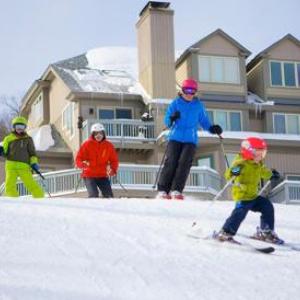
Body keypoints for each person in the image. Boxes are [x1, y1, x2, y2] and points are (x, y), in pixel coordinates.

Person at [157, 78, 223, 200]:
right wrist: (172, 118)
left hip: (190, 139)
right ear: (182, 91)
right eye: (187, 91)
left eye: (192, 92)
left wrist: (213, 128)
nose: (189, 94)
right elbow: (167, 121)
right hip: (175, 137)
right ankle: (163, 190)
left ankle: (176, 190)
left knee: (184, 163)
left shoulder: (198, 106)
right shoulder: (175, 104)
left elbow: (204, 122)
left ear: (195, 93)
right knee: (171, 162)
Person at [215, 137, 284, 244]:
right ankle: (225, 232)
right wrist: (233, 172)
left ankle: (266, 232)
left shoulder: (257, 163)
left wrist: (271, 174)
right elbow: (228, 174)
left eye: (263, 153)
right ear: (249, 152)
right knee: (240, 213)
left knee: (267, 206)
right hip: (242, 195)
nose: (261, 156)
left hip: (253, 196)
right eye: (258, 153)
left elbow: (263, 171)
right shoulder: (240, 163)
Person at [0, 116, 44, 198]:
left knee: (31, 184)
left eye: (22, 126)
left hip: (24, 166)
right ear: (14, 127)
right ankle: (14, 202)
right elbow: (5, 153)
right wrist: (1, 151)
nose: (19, 129)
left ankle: (40, 198)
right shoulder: (8, 139)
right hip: (11, 166)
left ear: (24, 128)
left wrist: (34, 163)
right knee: (9, 186)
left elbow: (32, 153)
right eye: (17, 126)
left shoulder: (28, 139)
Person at [76, 123, 119, 198]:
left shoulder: (108, 146)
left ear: (103, 134)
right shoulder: (87, 145)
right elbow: (78, 158)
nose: (98, 135)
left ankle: (107, 209)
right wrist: (82, 164)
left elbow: (114, 160)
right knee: (93, 195)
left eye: (100, 133)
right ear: (92, 134)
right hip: (89, 175)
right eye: (96, 133)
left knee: (109, 195)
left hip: (102, 175)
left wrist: (113, 169)